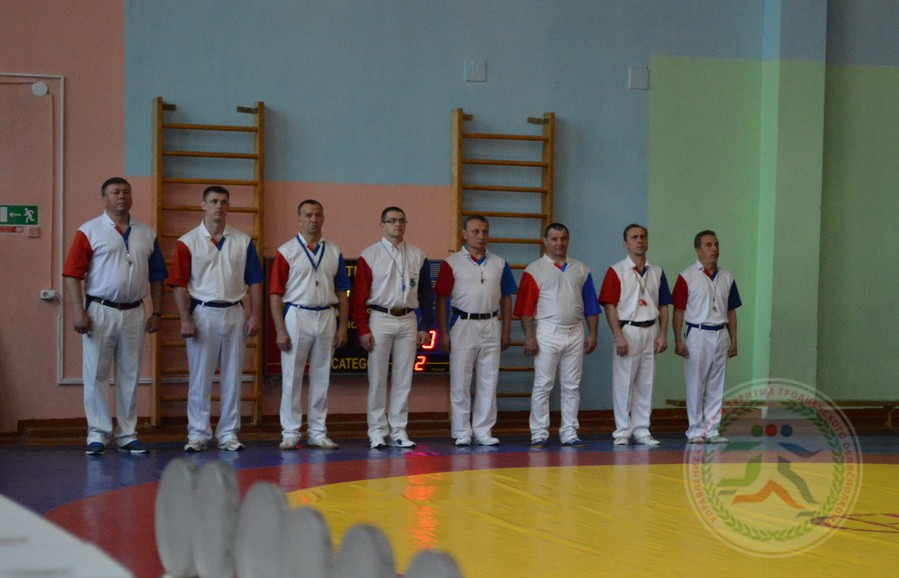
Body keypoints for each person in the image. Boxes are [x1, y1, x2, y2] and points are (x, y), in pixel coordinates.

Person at [63, 177, 167, 455]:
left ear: (131, 197)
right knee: (96, 373)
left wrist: (157, 311)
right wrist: (79, 311)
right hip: (99, 310)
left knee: (130, 373)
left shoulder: (147, 233)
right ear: (104, 198)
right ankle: (97, 433)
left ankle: (127, 434)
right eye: (115, 192)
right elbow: (72, 274)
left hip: (134, 310)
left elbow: (158, 276)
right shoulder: (89, 230)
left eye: (126, 192)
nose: (121, 196)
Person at [167, 186, 264, 452]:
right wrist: (185, 318)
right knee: (200, 377)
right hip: (202, 312)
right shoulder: (188, 241)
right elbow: (178, 284)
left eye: (223, 202)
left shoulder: (243, 241)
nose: (218, 206)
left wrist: (255, 314)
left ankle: (228, 433)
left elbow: (255, 281)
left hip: (235, 311)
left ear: (228, 206)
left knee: (232, 377)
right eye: (213, 201)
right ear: (203, 205)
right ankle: (198, 433)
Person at [269, 200, 350, 450]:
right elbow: (275, 293)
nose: (313, 219)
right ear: (299, 219)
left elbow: (342, 291)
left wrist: (343, 326)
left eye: (317, 215)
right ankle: (290, 431)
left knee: (322, 376)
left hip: (326, 315)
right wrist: (280, 329)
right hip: (297, 314)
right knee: (291, 376)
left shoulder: (334, 251)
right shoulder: (286, 251)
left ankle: (317, 431)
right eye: (307, 215)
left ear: (323, 218)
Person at [351, 206, 434, 449]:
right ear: (382, 225)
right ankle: (377, 431)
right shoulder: (370, 255)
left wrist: (425, 325)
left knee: (403, 378)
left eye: (401, 221)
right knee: (377, 378)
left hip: (408, 319)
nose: (397, 225)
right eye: (392, 221)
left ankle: (398, 430)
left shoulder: (418, 255)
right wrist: (363, 329)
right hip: (380, 318)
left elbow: (426, 294)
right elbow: (358, 297)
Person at [514, 223, 600, 448]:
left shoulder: (581, 269)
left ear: (568, 240)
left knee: (572, 385)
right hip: (547, 331)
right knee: (543, 384)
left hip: (575, 331)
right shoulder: (534, 270)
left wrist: (593, 334)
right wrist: (529, 336)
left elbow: (591, 306)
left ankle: (569, 432)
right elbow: (525, 308)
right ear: (545, 241)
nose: (559, 243)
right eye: (554, 239)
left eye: (563, 239)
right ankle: (539, 432)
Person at [434, 216, 517, 447]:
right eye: (475, 231)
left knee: (489, 380)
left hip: (491, 323)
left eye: (484, 232)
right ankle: (462, 431)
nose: (481, 236)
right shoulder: (451, 263)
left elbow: (507, 298)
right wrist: (443, 332)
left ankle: (483, 430)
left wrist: (506, 330)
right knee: (460, 380)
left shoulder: (500, 263)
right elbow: (441, 299)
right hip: (463, 323)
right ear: (464, 234)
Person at [598, 224, 671, 447]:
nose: (639, 241)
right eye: (634, 237)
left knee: (646, 383)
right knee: (624, 382)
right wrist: (618, 335)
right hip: (628, 330)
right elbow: (609, 306)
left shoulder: (657, 271)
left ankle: (642, 430)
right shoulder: (617, 270)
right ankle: (622, 430)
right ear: (626, 243)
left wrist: (663, 334)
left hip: (651, 329)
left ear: (647, 241)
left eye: (642, 237)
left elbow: (664, 305)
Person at [672, 230, 741, 444]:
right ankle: (695, 430)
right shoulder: (687, 276)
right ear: (698, 250)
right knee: (696, 383)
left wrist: (734, 339)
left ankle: (712, 430)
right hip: (697, 333)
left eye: (716, 244)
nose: (714, 249)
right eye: (708, 245)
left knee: (716, 384)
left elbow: (731, 311)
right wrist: (678, 339)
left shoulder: (727, 276)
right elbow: (679, 311)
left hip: (720, 332)